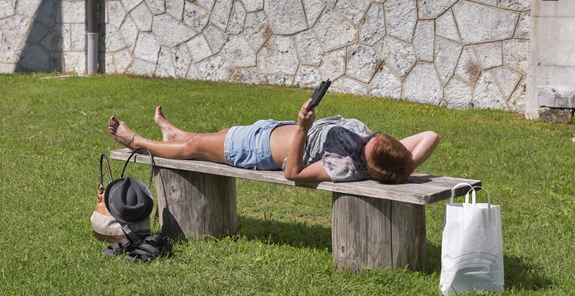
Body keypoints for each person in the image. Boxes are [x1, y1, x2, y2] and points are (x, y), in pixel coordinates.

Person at [108, 99, 439, 184]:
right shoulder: (379, 152)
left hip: (256, 150)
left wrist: (303, 129)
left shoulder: (346, 166)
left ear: (369, 163)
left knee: (193, 149)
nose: (365, 135)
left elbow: (292, 173)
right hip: (268, 129)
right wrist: (408, 166)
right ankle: (172, 133)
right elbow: (430, 136)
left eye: (369, 142)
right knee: (211, 137)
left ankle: (136, 140)